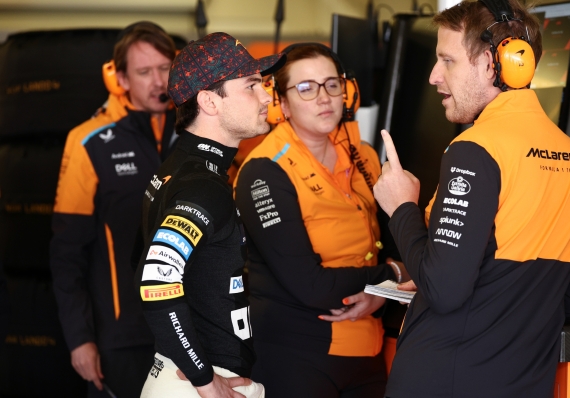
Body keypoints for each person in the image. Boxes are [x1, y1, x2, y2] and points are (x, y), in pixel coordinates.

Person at [374, 1, 570, 397]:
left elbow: (444, 291)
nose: (433, 76)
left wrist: (402, 207)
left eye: (448, 61)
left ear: (499, 63)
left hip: (440, 379)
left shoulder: (476, 150)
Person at [234, 43, 409, 398]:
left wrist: (383, 291)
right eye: (305, 88)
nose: (324, 97)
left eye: (332, 84)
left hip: (367, 348)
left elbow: (401, 249)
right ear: (280, 102)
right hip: (296, 355)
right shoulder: (263, 171)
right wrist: (391, 277)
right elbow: (310, 284)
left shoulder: (365, 157)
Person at [135, 32, 285, 398]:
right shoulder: (202, 184)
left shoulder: (184, 166)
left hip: (183, 372)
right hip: (197, 383)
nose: (266, 96)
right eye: (251, 86)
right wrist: (203, 377)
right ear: (209, 102)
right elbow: (156, 282)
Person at [49, 22, 177, 398]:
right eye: (144, 72)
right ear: (119, 77)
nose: (158, 81)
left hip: (193, 329)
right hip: (122, 336)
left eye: (165, 68)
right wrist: (79, 339)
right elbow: (66, 253)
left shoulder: (198, 131)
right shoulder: (89, 142)